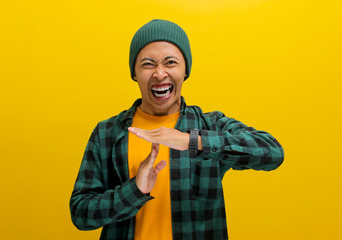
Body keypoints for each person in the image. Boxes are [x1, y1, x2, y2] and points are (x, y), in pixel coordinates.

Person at [70, 19, 284, 240]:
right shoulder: (108, 133)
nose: (160, 73)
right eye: (148, 64)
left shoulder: (210, 125)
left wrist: (193, 141)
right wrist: (135, 190)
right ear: (134, 73)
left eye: (170, 62)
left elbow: (273, 153)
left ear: (185, 71)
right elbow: (80, 213)